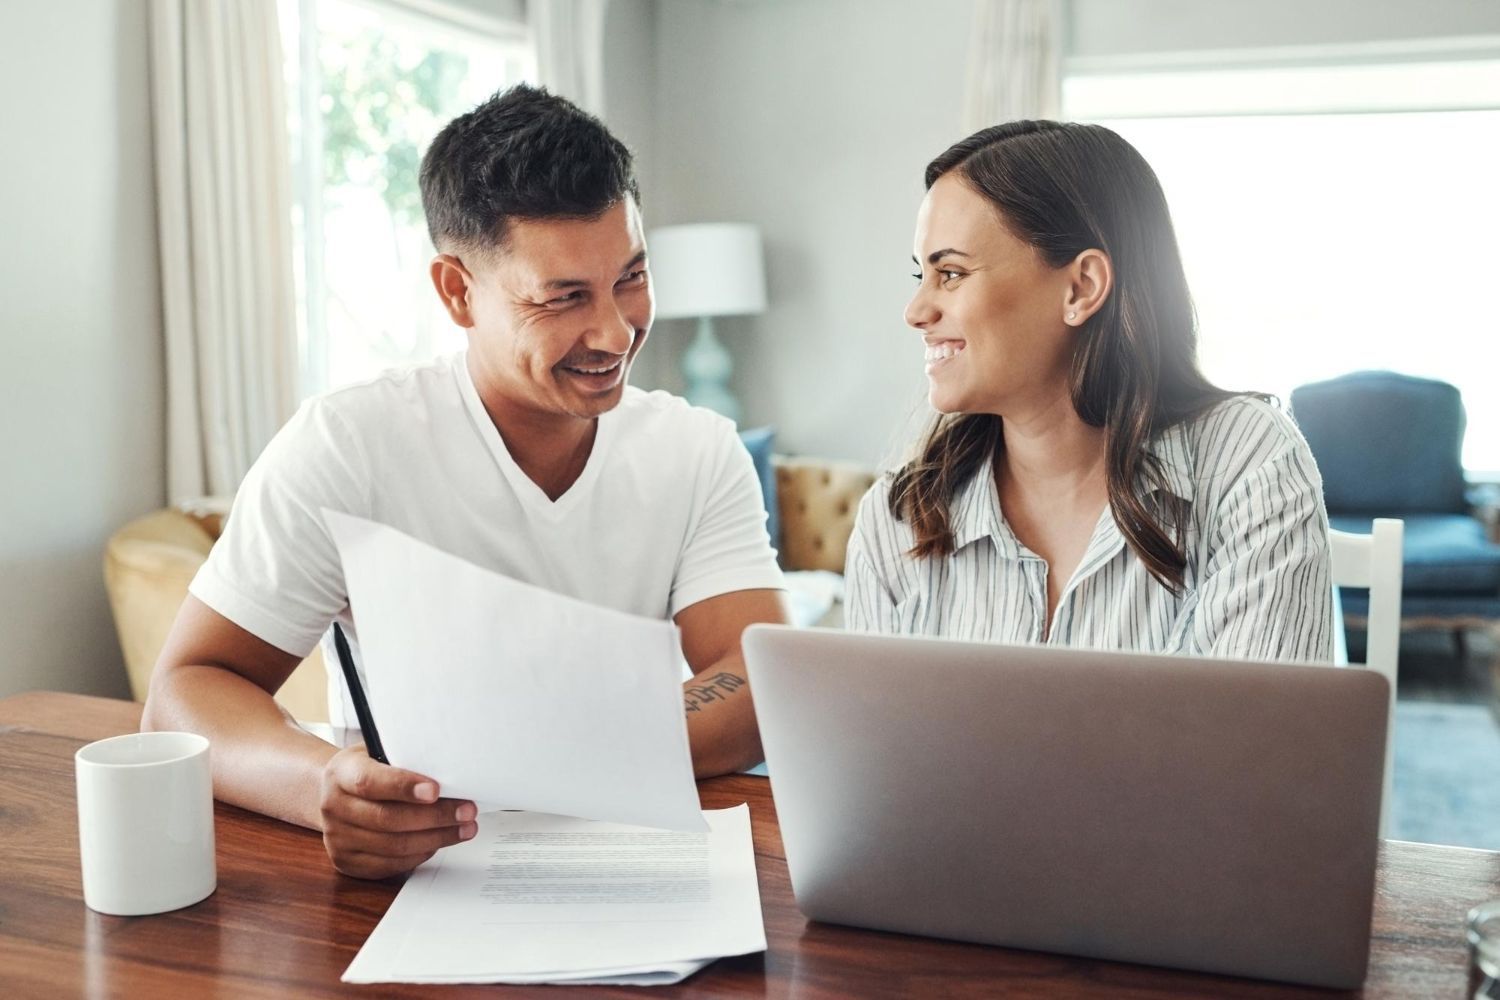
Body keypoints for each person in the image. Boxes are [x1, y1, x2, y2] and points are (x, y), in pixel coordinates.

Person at [143, 85, 790, 879]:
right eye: (564, 297)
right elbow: (183, 692)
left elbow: (759, 674)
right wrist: (320, 785)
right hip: (420, 871)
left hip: (632, 860)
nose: (616, 331)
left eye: (630, 277)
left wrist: (560, 760)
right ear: (457, 291)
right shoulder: (347, 445)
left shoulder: (697, 450)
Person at [845, 120, 1332, 662]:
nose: (916, 312)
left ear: (1081, 287)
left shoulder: (1247, 463)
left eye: (952, 273)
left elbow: (1259, 738)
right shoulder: (895, 519)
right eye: (922, 277)